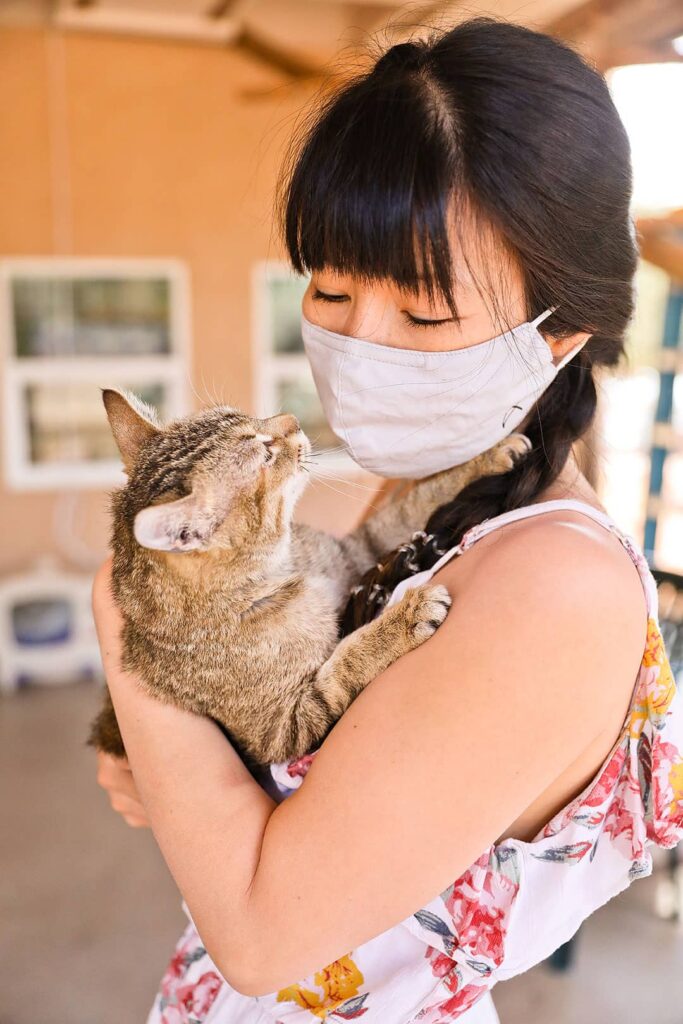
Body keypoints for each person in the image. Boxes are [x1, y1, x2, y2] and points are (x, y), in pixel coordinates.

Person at [92, 17, 683, 1024]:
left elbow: (261, 932)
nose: (360, 343)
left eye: (422, 315)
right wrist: (174, 750)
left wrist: (124, 613)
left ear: (560, 334)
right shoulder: (437, 486)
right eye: (327, 286)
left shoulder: (555, 584)